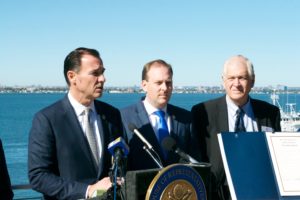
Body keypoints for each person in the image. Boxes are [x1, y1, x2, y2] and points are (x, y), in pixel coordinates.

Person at [28, 47, 124, 199]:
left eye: (103, 72)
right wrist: (87, 190)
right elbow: (38, 176)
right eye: (95, 73)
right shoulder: (47, 119)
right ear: (72, 76)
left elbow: (122, 162)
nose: (103, 79)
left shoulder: (112, 115)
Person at [191, 55, 281, 200]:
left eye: (242, 78)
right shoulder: (203, 112)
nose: (236, 83)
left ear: (252, 81)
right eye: (231, 78)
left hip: (261, 193)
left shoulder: (270, 113)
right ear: (223, 81)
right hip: (219, 194)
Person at [121, 59, 201, 170]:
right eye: (158, 83)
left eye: (168, 83)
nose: (164, 88)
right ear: (144, 85)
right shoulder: (124, 117)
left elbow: (195, 160)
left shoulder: (185, 118)